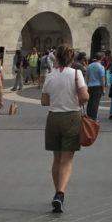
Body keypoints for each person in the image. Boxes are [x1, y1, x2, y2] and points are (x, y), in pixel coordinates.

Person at [40, 45, 89, 213]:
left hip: (53, 117)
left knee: (56, 158)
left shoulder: (50, 75)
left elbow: (44, 101)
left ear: (57, 58)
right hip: (71, 117)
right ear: (71, 58)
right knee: (66, 160)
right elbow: (84, 97)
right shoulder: (77, 74)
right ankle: (60, 193)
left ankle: (56, 192)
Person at [85, 53, 106, 121]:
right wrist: (103, 89)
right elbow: (102, 79)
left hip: (90, 86)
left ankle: (88, 116)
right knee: (95, 103)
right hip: (98, 86)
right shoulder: (101, 67)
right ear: (101, 58)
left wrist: (87, 85)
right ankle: (93, 118)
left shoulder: (89, 66)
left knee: (90, 102)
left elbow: (87, 77)